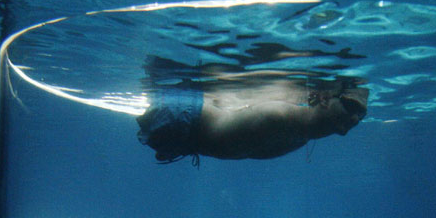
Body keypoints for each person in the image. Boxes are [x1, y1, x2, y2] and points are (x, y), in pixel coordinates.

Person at [136, 70, 368, 165]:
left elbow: (251, 150)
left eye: (361, 114)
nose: (356, 118)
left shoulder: (301, 135)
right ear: (326, 98)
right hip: (183, 117)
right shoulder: (288, 118)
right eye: (349, 105)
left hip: (186, 135)